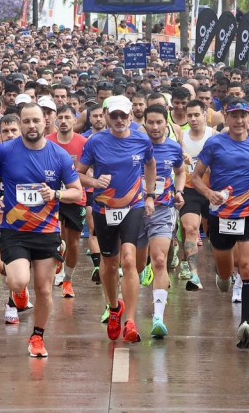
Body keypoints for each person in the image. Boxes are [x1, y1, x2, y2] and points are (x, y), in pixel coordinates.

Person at [0, 103, 83, 358]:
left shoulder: (59, 156)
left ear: (46, 122)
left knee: (44, 290)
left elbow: (77, 191)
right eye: (26, 121)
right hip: (14, 229)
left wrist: (55, 193)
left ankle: (37, 336)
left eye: (36, 121)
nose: (31, 126)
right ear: (20, 123)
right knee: (18, 280)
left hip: (46, 231)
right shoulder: (4, 151)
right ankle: (19, 293)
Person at [192, 97, 249, 350]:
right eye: (234, 116)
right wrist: (209, 194)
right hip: (221, 215)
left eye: (244, 116)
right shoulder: (215, 144)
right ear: (226, 118)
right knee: (226, 269)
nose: (239, 121)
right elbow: (195, 177)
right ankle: (223, 276)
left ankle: (245, 325)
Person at [78, 95, 156, 344]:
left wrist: (151, 194)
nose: (120, 120)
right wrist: (93, 182)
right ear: (106, 116)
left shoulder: (142, 140)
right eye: (115, 115)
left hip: (134, 205)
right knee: (110, 265)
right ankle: (114, 308)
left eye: (124, 115)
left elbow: (151, 164)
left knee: (130, 260)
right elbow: (77, 174)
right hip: (104, 209)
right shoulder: (95, 142)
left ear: (131, 115)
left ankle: (131, 321)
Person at [136, 105, 185, 338]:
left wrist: (180, 191)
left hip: (162, 210)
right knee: (132, 266)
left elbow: (181, 170)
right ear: (144, 123)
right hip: (135, 211)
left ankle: (158, 317)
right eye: (150, 122)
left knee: (159, 260)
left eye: (159, 122)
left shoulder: (174, 148)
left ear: (167, 123)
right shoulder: (135, 144)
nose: (154, 127)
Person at [46, 105, 87, 299]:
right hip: (51, 195)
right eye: (60, 117)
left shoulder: (84, 142)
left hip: (75, 196)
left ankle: (68, 280)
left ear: (74, 120)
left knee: (74, 242)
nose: (63, 121)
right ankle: (55, 261)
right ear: (55, 121)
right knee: (53, 237)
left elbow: (88, 170)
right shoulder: (47, 142)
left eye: (67, 117)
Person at [179, 99, 214, 290]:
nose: (193, 119)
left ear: (205, 114)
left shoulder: (214, 136)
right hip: (189, 190)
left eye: (196, 115)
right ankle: (194, 274)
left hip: (212, 191)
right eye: (189, 115)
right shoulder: (181, 138)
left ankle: (225, 270)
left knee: (215, 237)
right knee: (191, 228)